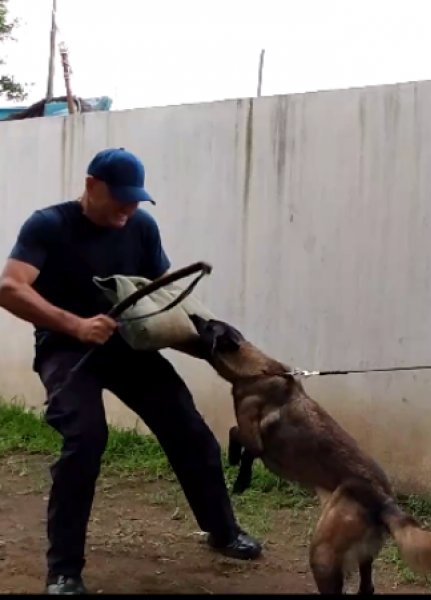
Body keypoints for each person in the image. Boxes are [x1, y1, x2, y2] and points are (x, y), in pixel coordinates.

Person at [0, 148, 262, 595]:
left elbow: (162, 298)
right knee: (85, 439)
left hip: (128, 350)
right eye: (120, 198)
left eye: (136, 199)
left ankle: (223, 531)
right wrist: (76, 325)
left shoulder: (141, 227)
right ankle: (63, 570)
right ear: (90, 186)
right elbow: (9, 288)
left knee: (189, 430)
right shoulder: (49, 225)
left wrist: (212, 338)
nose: (128, 208)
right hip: (66, 350)